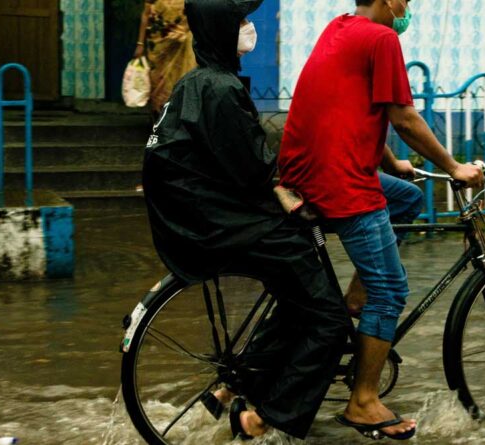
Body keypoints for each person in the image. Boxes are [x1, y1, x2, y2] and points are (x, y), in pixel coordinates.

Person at [142, 0, 349, 440]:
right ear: (221, 28)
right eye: (240, 20)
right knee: (329, 317)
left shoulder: (197, 81)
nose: (248, 27)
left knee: (297, 301)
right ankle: (263, 418)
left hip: (197, 221)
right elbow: (254, 168)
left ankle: (235, 386)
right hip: (222, 225)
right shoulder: (220, 89)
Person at [278, 0, 485, 440]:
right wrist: (454, 167)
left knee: (406, 198)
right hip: (339, 179)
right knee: (391, 290)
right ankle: (363, 402)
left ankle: (357, 298)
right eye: (405, 0)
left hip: (307, 168)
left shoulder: (340, 28)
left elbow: (355, 107)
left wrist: (391, 163)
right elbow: (403, 117)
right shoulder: (382, 37)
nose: (406, 7)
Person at [134, 0, 198, 116]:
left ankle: (179, 115)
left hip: (182, 43)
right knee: (157, 80)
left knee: (182, 76)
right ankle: (158, 115)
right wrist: (140, 44)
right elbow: (146, 14)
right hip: (159, 44)